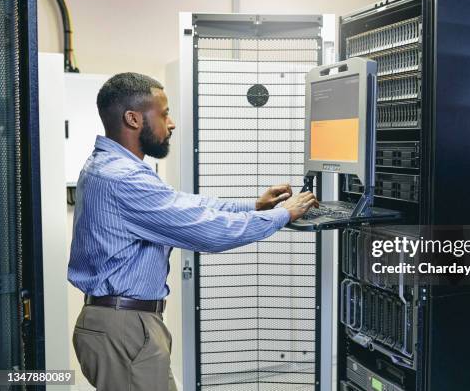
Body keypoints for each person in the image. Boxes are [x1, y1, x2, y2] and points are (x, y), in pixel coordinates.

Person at [67, 72, 318, 391]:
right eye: (164, 113)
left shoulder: (110, 167)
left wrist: (253, 207)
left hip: (122, 323)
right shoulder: (122, 178)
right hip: (125, 328)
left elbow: (184, 205)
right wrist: (285, 213)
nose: (170, 124)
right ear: (133, 118)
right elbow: (209, 232)